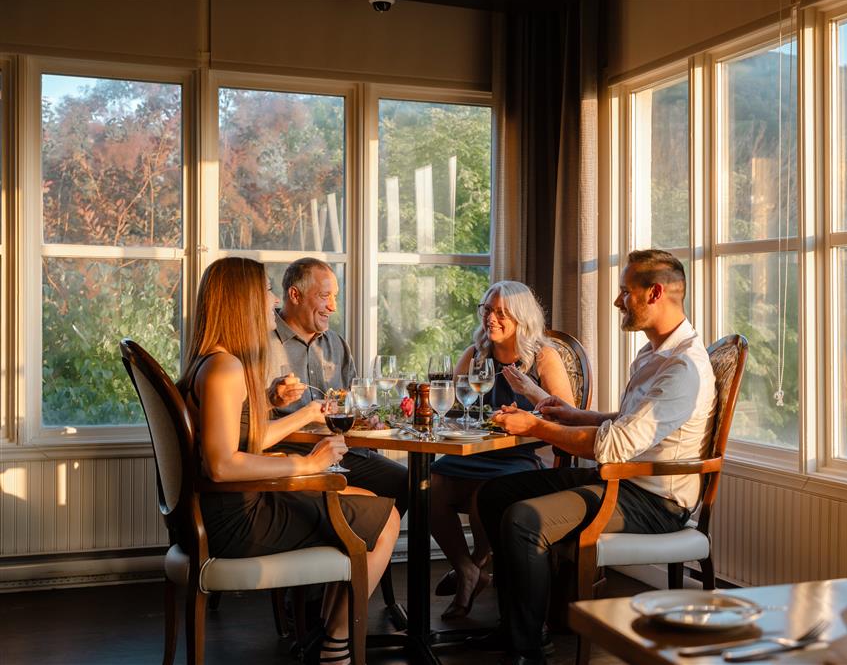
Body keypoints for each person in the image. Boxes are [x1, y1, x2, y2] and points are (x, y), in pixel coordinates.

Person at [474, 250, 717, 665]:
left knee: (524, 520)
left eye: (626, 292)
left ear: (654, 293)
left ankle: (530, 648)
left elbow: (614, 445)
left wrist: (536, 427)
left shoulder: (683, 368)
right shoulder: (653, 354)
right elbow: (625, 422)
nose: (619, 301)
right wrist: (569, 413)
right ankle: (517, 626)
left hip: (655, 501)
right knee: (495, 494)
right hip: (623, 481)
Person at [178, 257, 400, 665]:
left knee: (365, 495)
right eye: (265, 291)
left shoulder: (212, 361)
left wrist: (303, 415)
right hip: (237, 521)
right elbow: (222, 465)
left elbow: (244, 437)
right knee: (385, 518)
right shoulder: (226, 368)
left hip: (220, 512)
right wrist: (307, 466)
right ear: (243, 301)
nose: (273, 299)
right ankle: (335, 644)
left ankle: (324, 631)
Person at [430, 281, 574, 620]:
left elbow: (567, 414)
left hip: (521, 457)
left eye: (500, 313)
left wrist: (531, 399)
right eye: (487, 311)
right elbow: (451, 405)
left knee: (488, 496)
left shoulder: (542, 357)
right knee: (429, 484)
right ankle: (467, 569)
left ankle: (478, 564)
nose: (490, 319)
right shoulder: (476, 353)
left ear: (521, 318)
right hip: (474, 455)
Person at [267, 257, 408, 519]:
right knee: (373, 502)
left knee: (406, 482)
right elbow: (249, 419)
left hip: (343, 451)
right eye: (324, 296)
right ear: (294, 295)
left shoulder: (336, 343)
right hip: (291, 455)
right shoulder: (262, 341)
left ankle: (363, 555)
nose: (332, 306)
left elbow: (354, 404)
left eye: (335, 297)